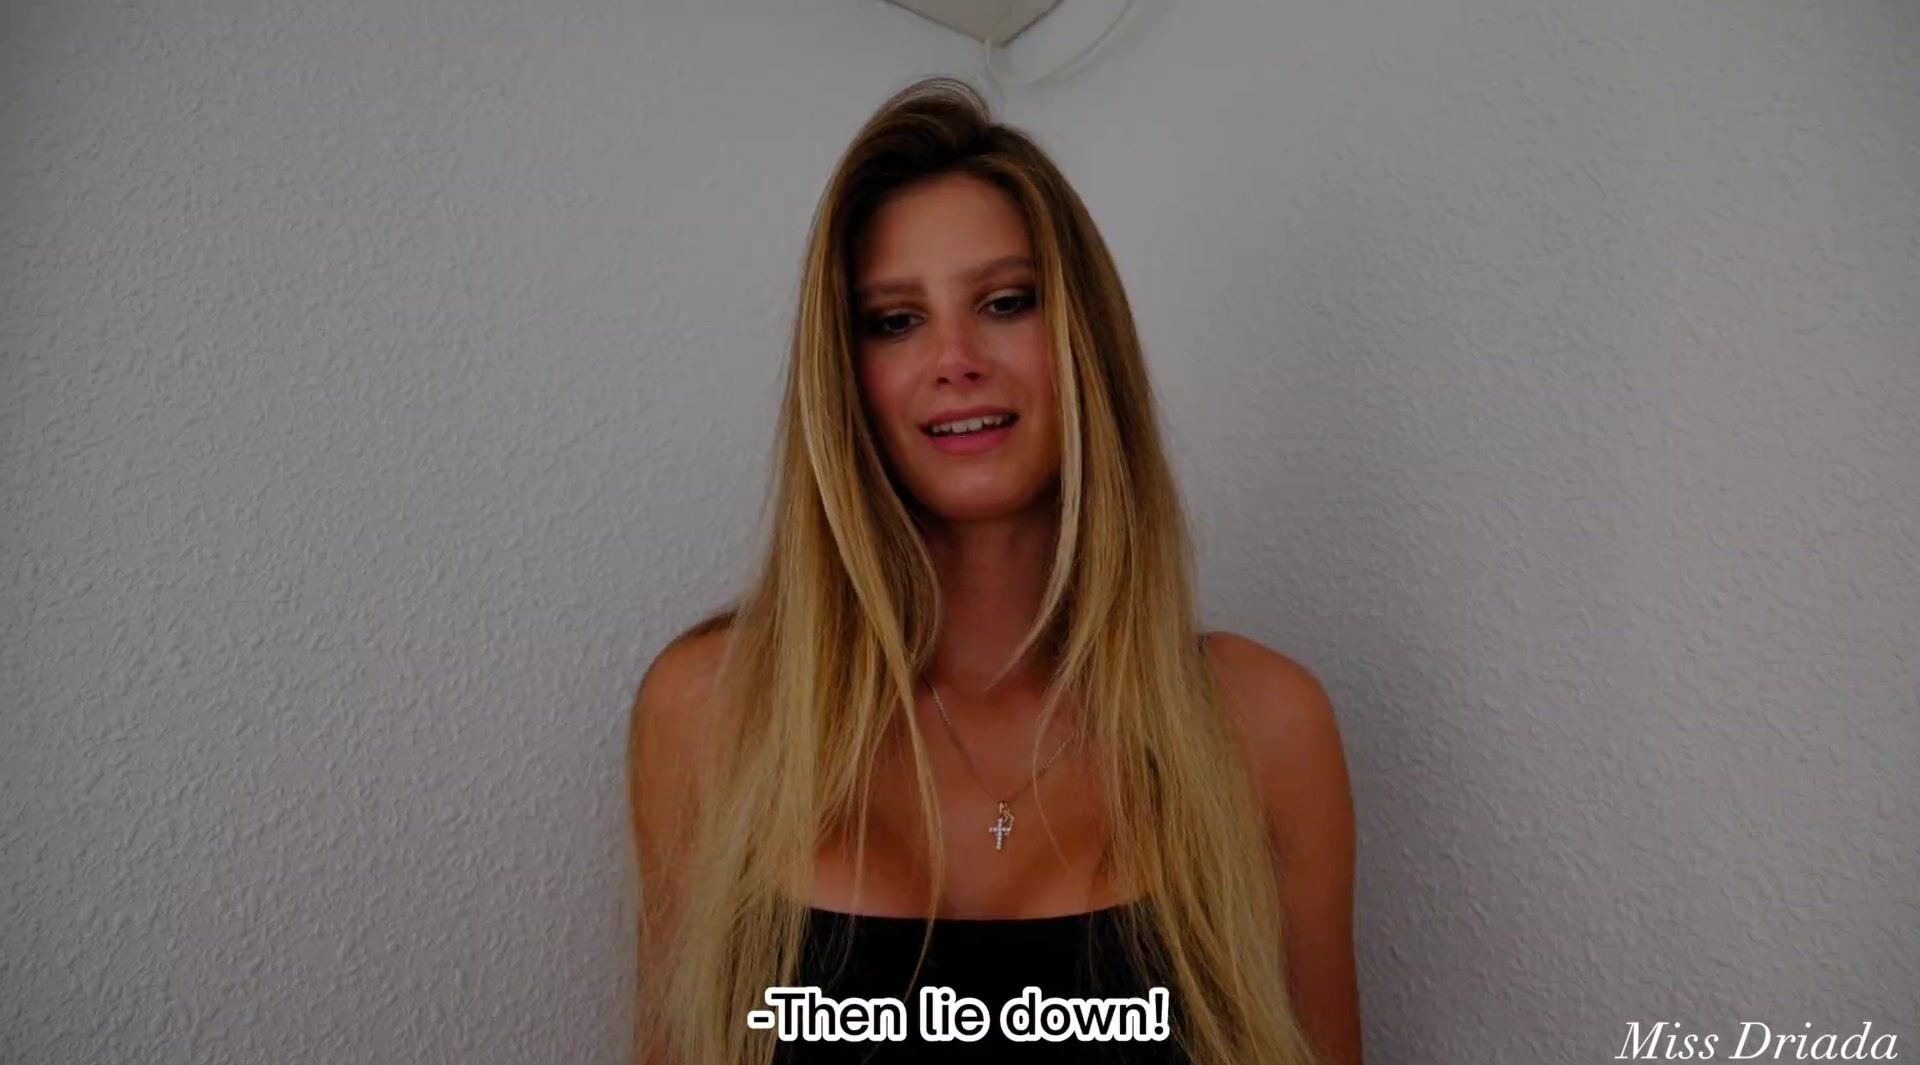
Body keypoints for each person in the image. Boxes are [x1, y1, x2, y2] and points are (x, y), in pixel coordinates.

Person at [628, 75, 1361, 1065]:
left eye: (1006, 303)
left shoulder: (1264, 723)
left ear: (1085, 341)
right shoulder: (712, 708)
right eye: (895, 319)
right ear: (844, 377)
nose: (955, 358)